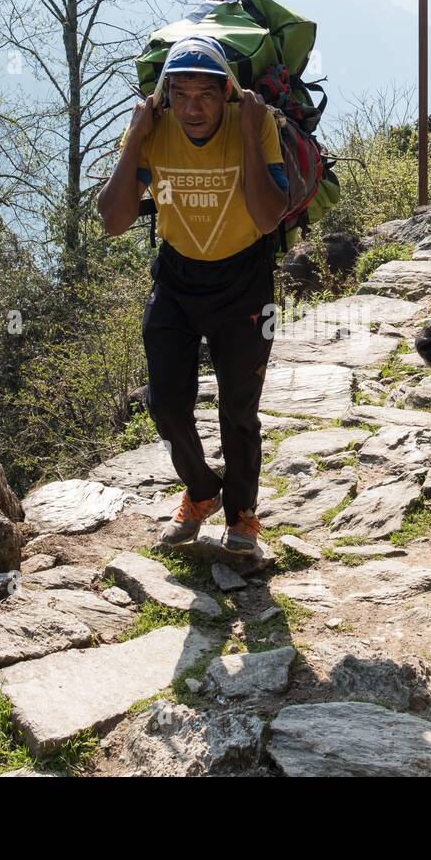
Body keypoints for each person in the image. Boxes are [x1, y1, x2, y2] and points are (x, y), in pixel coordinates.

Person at [95, 36, 291, 558]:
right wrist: (135, 139)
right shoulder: (152, 131)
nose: (192, 108)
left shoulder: (256, 122)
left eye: (205, 94)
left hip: (245, 282)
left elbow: (269, 215)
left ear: (227, 92)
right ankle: (202, 490)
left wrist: (249, 134)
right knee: (165, 403)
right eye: (180, 95)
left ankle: (243, 514)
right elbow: (114, 221)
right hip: (177, 280)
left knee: (238, 409)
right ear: (165, 97)